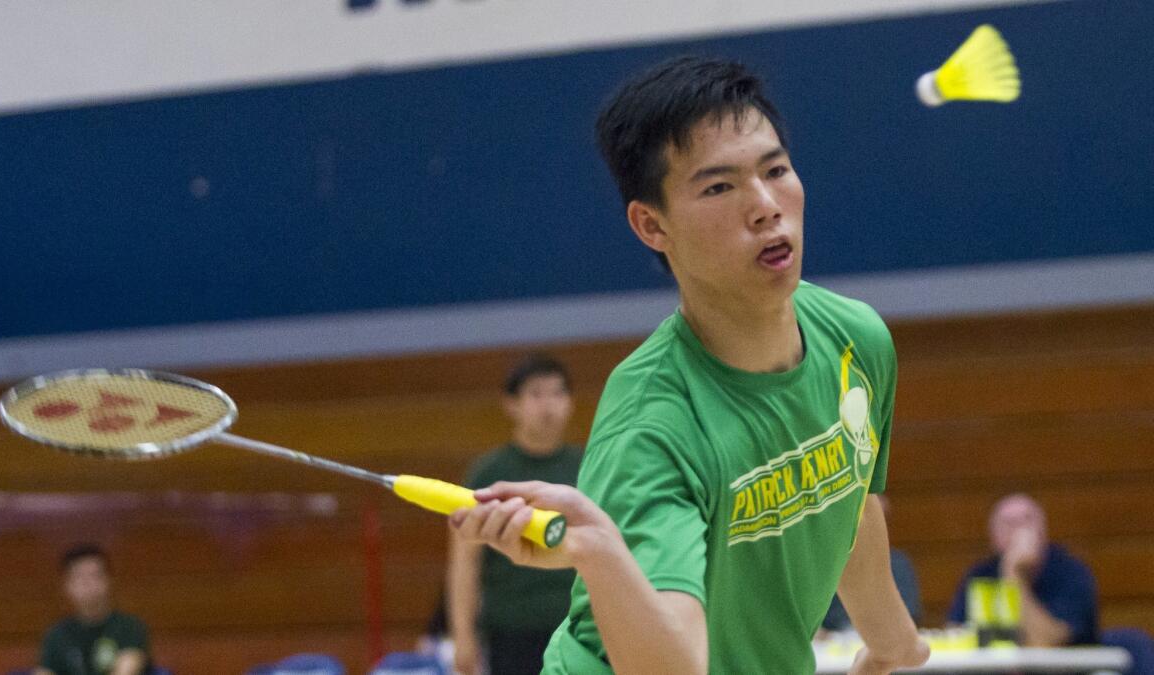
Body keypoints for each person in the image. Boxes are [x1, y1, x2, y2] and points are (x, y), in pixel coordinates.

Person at [449, 56, 928, 674]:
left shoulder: (856, 340)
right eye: (719, 187)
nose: (765, 206)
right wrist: (601, 555)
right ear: (652, 225)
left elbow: (846, 501)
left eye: (775, 169)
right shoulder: (652, 426)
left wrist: (894, 642)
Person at [446, 354, 582, 675]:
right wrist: (462, 635)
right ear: (512, 404)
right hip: (510, 634)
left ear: (570, 403)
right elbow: (465, 560)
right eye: (536, 394)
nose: (548, 405)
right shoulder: (490, 473)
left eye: (557, 393)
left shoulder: (588, 466)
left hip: (580, 628)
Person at [947, 493, 1098, 646]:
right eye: (1009, 523)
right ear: (994, 536)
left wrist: (1013, 573)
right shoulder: (980, 574)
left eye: (1026, 520)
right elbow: (957, 634)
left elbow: (1048, 643)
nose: (1019, 531)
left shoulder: (1071, 572)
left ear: (1043, 530)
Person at [36, 544, 151, 675]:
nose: (88, 583)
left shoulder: (129, 627)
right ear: (67, 586)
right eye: (79, 577)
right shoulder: (56, 634)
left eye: (95, 575)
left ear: (109, 580)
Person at [821, 495, 923, 632]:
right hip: (835, 641)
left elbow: (909, 615)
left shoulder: (898, 564)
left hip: (885, 637)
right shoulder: (832, 564)